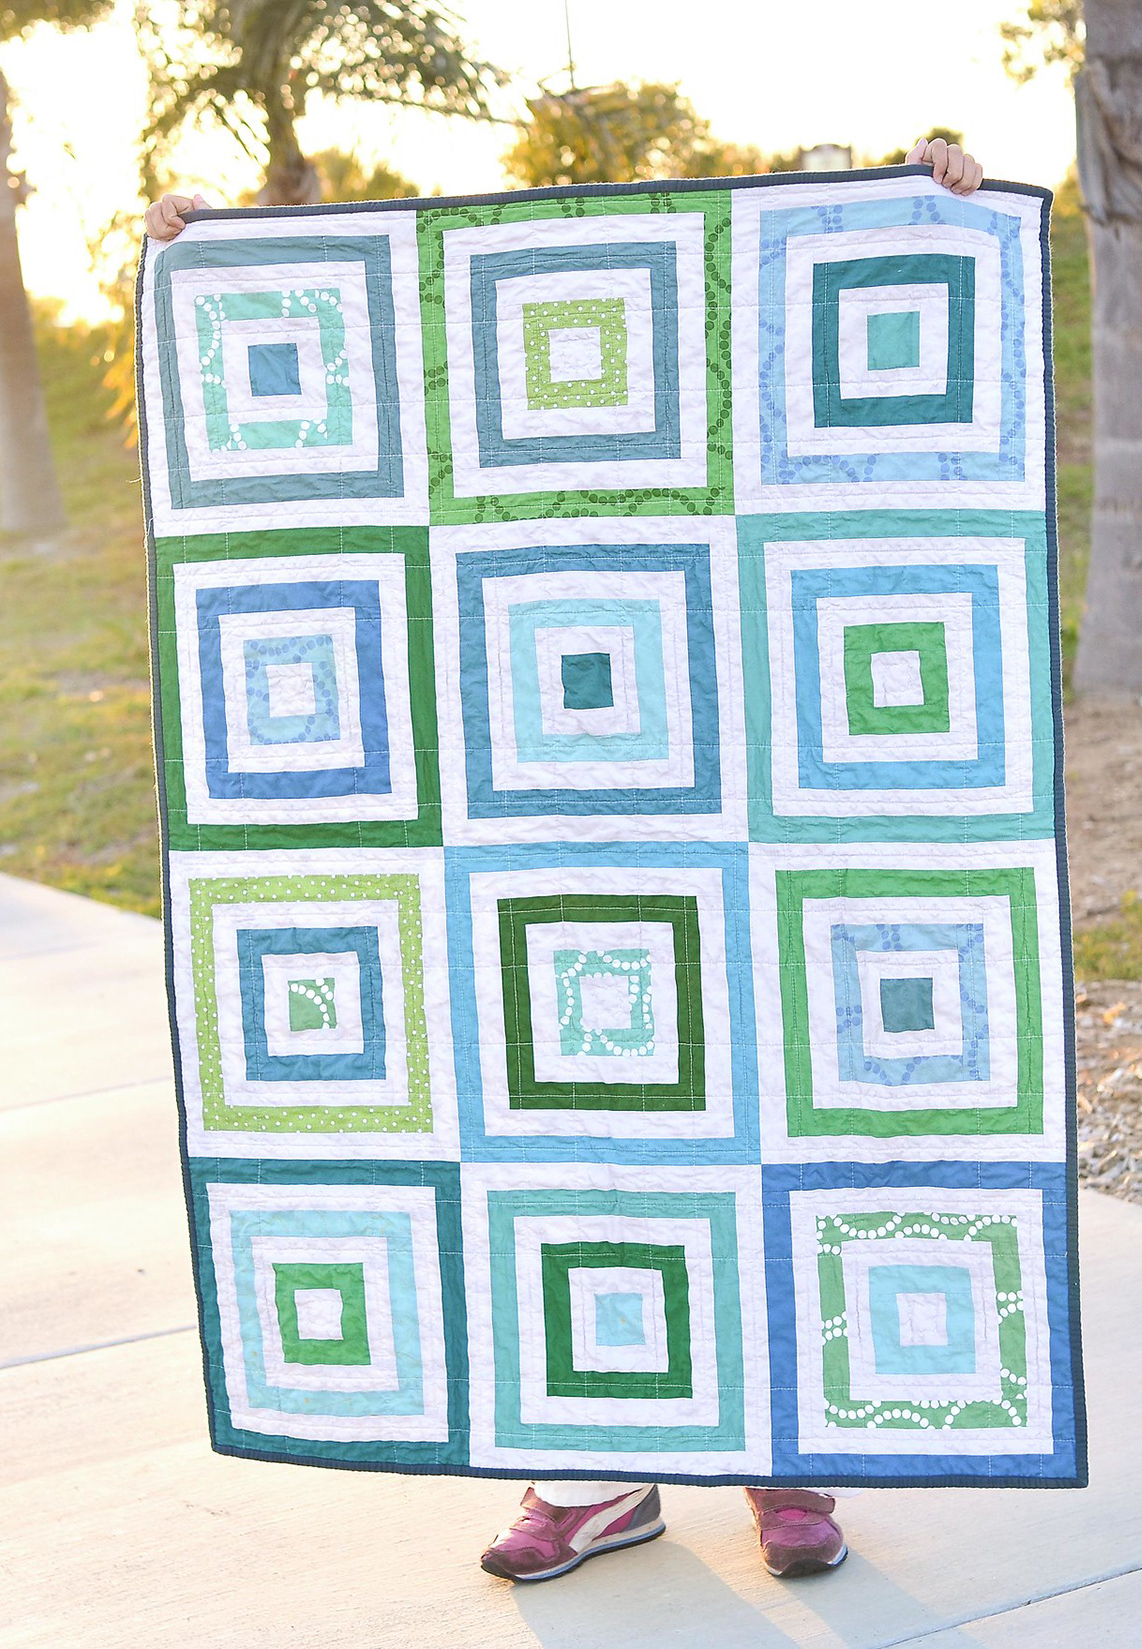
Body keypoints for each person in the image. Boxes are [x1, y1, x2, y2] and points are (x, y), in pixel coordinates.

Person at [144, 131, 988, 1586]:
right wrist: (214, 258)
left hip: (729, 788)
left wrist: (923, 204)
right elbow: (347, 426)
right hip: (525, 802)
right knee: (559, 1114)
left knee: (765, 1096)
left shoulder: (722, 386)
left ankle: (783, 1444)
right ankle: (594, 1469)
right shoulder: (471, 422)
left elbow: (826, 404)